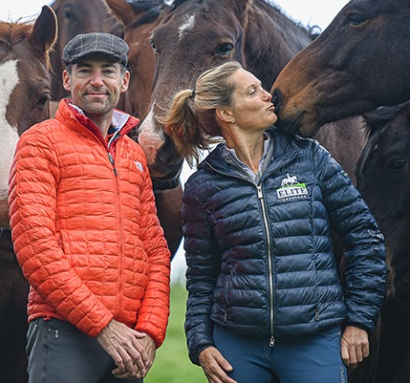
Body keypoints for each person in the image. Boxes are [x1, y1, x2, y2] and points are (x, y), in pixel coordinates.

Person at [159, 60, 386, 383]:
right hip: (237, 346)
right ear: (227, 113)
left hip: (314, 339)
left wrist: (359, 320)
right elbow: (201, 275)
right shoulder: (202, 186)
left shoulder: (311, 158)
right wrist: (201, 343)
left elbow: (365, 237)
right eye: (253, 91)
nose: (269, 96)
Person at [8, 32, 171, 382]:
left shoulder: (133, 154)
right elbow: (35, 247)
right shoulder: (39, 142)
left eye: (108, 71)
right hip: (63, 330)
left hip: (129, 342)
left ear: (123, 80)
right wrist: (102, 326)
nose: (97, 81)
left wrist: (150, 331)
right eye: (85, 71)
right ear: (67, 80)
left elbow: (155, 249)